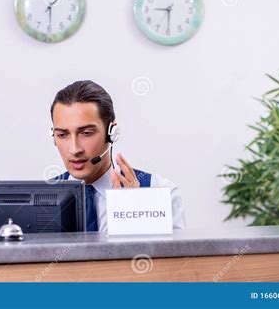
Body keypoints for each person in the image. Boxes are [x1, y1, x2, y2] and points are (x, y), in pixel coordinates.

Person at [50, 80, 186, 232]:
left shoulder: (161, 192)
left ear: (112, 133)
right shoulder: (39, 200)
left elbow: (176, 256)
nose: (74, 149)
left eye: (86, 133)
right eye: (62, 135)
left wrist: (141, 216)